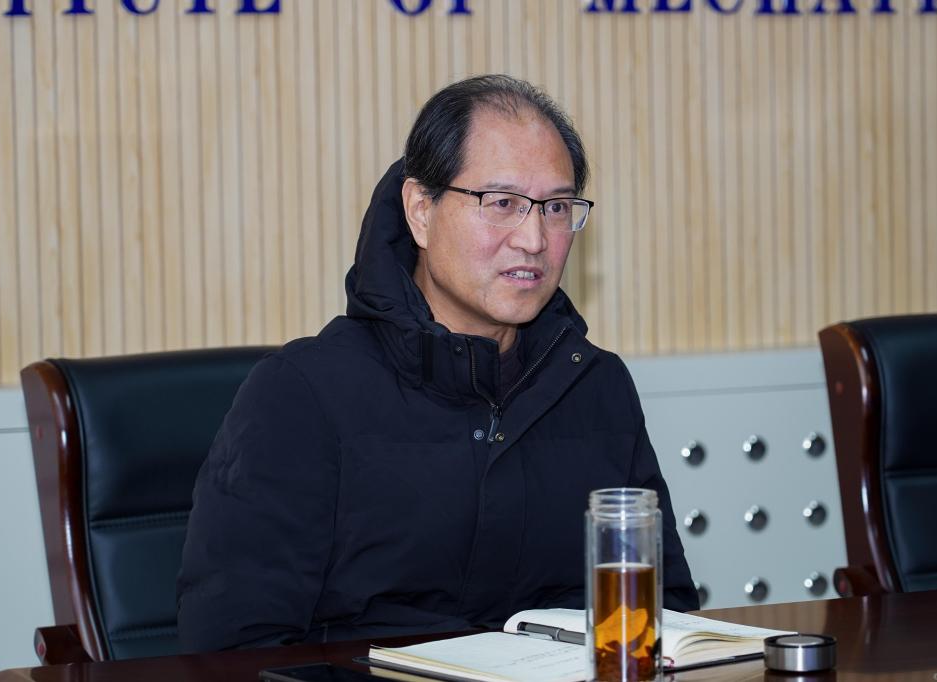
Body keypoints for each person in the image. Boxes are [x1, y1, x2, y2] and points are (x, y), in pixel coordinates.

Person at [177, 74, 697, 652]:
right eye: (502, 203)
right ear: (421, 210)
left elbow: (663, 613)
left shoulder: (596, 387)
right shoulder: (303, 394)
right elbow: (232, 650)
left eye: (555, 207)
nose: (533, 239)